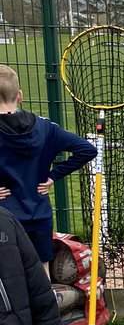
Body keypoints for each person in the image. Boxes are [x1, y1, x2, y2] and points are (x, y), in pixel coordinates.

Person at [0, 66, 97, 273]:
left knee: (9, 277)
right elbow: (86, 149)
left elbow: (86, 150)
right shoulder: (45, 128)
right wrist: (54, 176)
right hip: (39, 215)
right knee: (41, 274)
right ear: (20, 96)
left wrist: (53, 175)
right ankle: (46, 306)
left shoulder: (45, 128)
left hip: (5, 218)